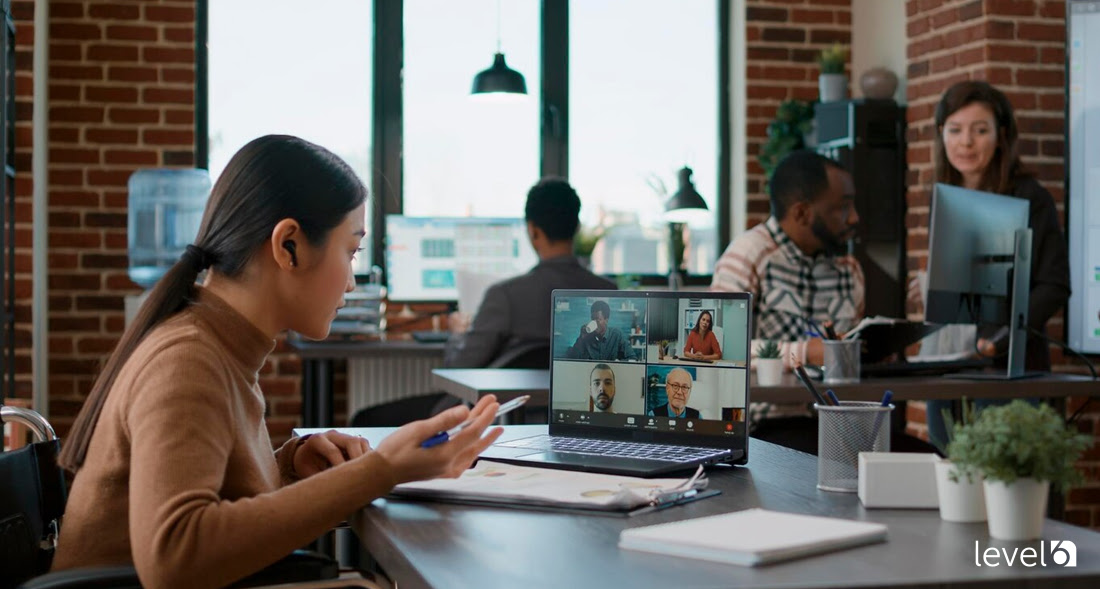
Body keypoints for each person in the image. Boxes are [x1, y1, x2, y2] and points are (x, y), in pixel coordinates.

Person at [51, 135, 504, 589]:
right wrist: (380, 470)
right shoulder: (188, 360)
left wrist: (288, 468)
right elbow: (175, 560)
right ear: (288, 245)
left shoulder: (220, 346)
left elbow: (210, 498)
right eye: (350, 252)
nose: (350, 282)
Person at [919, 80, 1070, 449]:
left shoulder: (1031, 198)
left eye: (980, 130)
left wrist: (998, 339)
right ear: (941, 135)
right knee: (949, 478)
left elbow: (1054, 285)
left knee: (1003, 483)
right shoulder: (942, 198)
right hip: (947, 364)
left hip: (1007, 367)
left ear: (1001, 136)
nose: (966, 142)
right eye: (955, 130)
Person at [710, 150, 861, 452]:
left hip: (841, 421)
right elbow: (719, 352)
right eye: (842, 208)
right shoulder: (748, 255)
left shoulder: (849, 269)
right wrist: (806, 353)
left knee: (929, 459)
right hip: (766, 427)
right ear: (802, 213)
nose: (855, 217)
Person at [444, 178, 615, 368]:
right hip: (584, 398)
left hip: (507, 399)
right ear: (577, 227)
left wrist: (458, 334)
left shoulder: (505, 296)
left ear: (533, 231)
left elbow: (460, 366)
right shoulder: (609, 293)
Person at [566, 300, 638, 361]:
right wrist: (581, 338)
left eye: (597, 319)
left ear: (606, 320)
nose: (594, 322)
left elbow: (633, 358)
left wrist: (617, 364)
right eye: (592, 319)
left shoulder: (616, 335)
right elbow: (572, 359)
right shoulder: (586, 337)